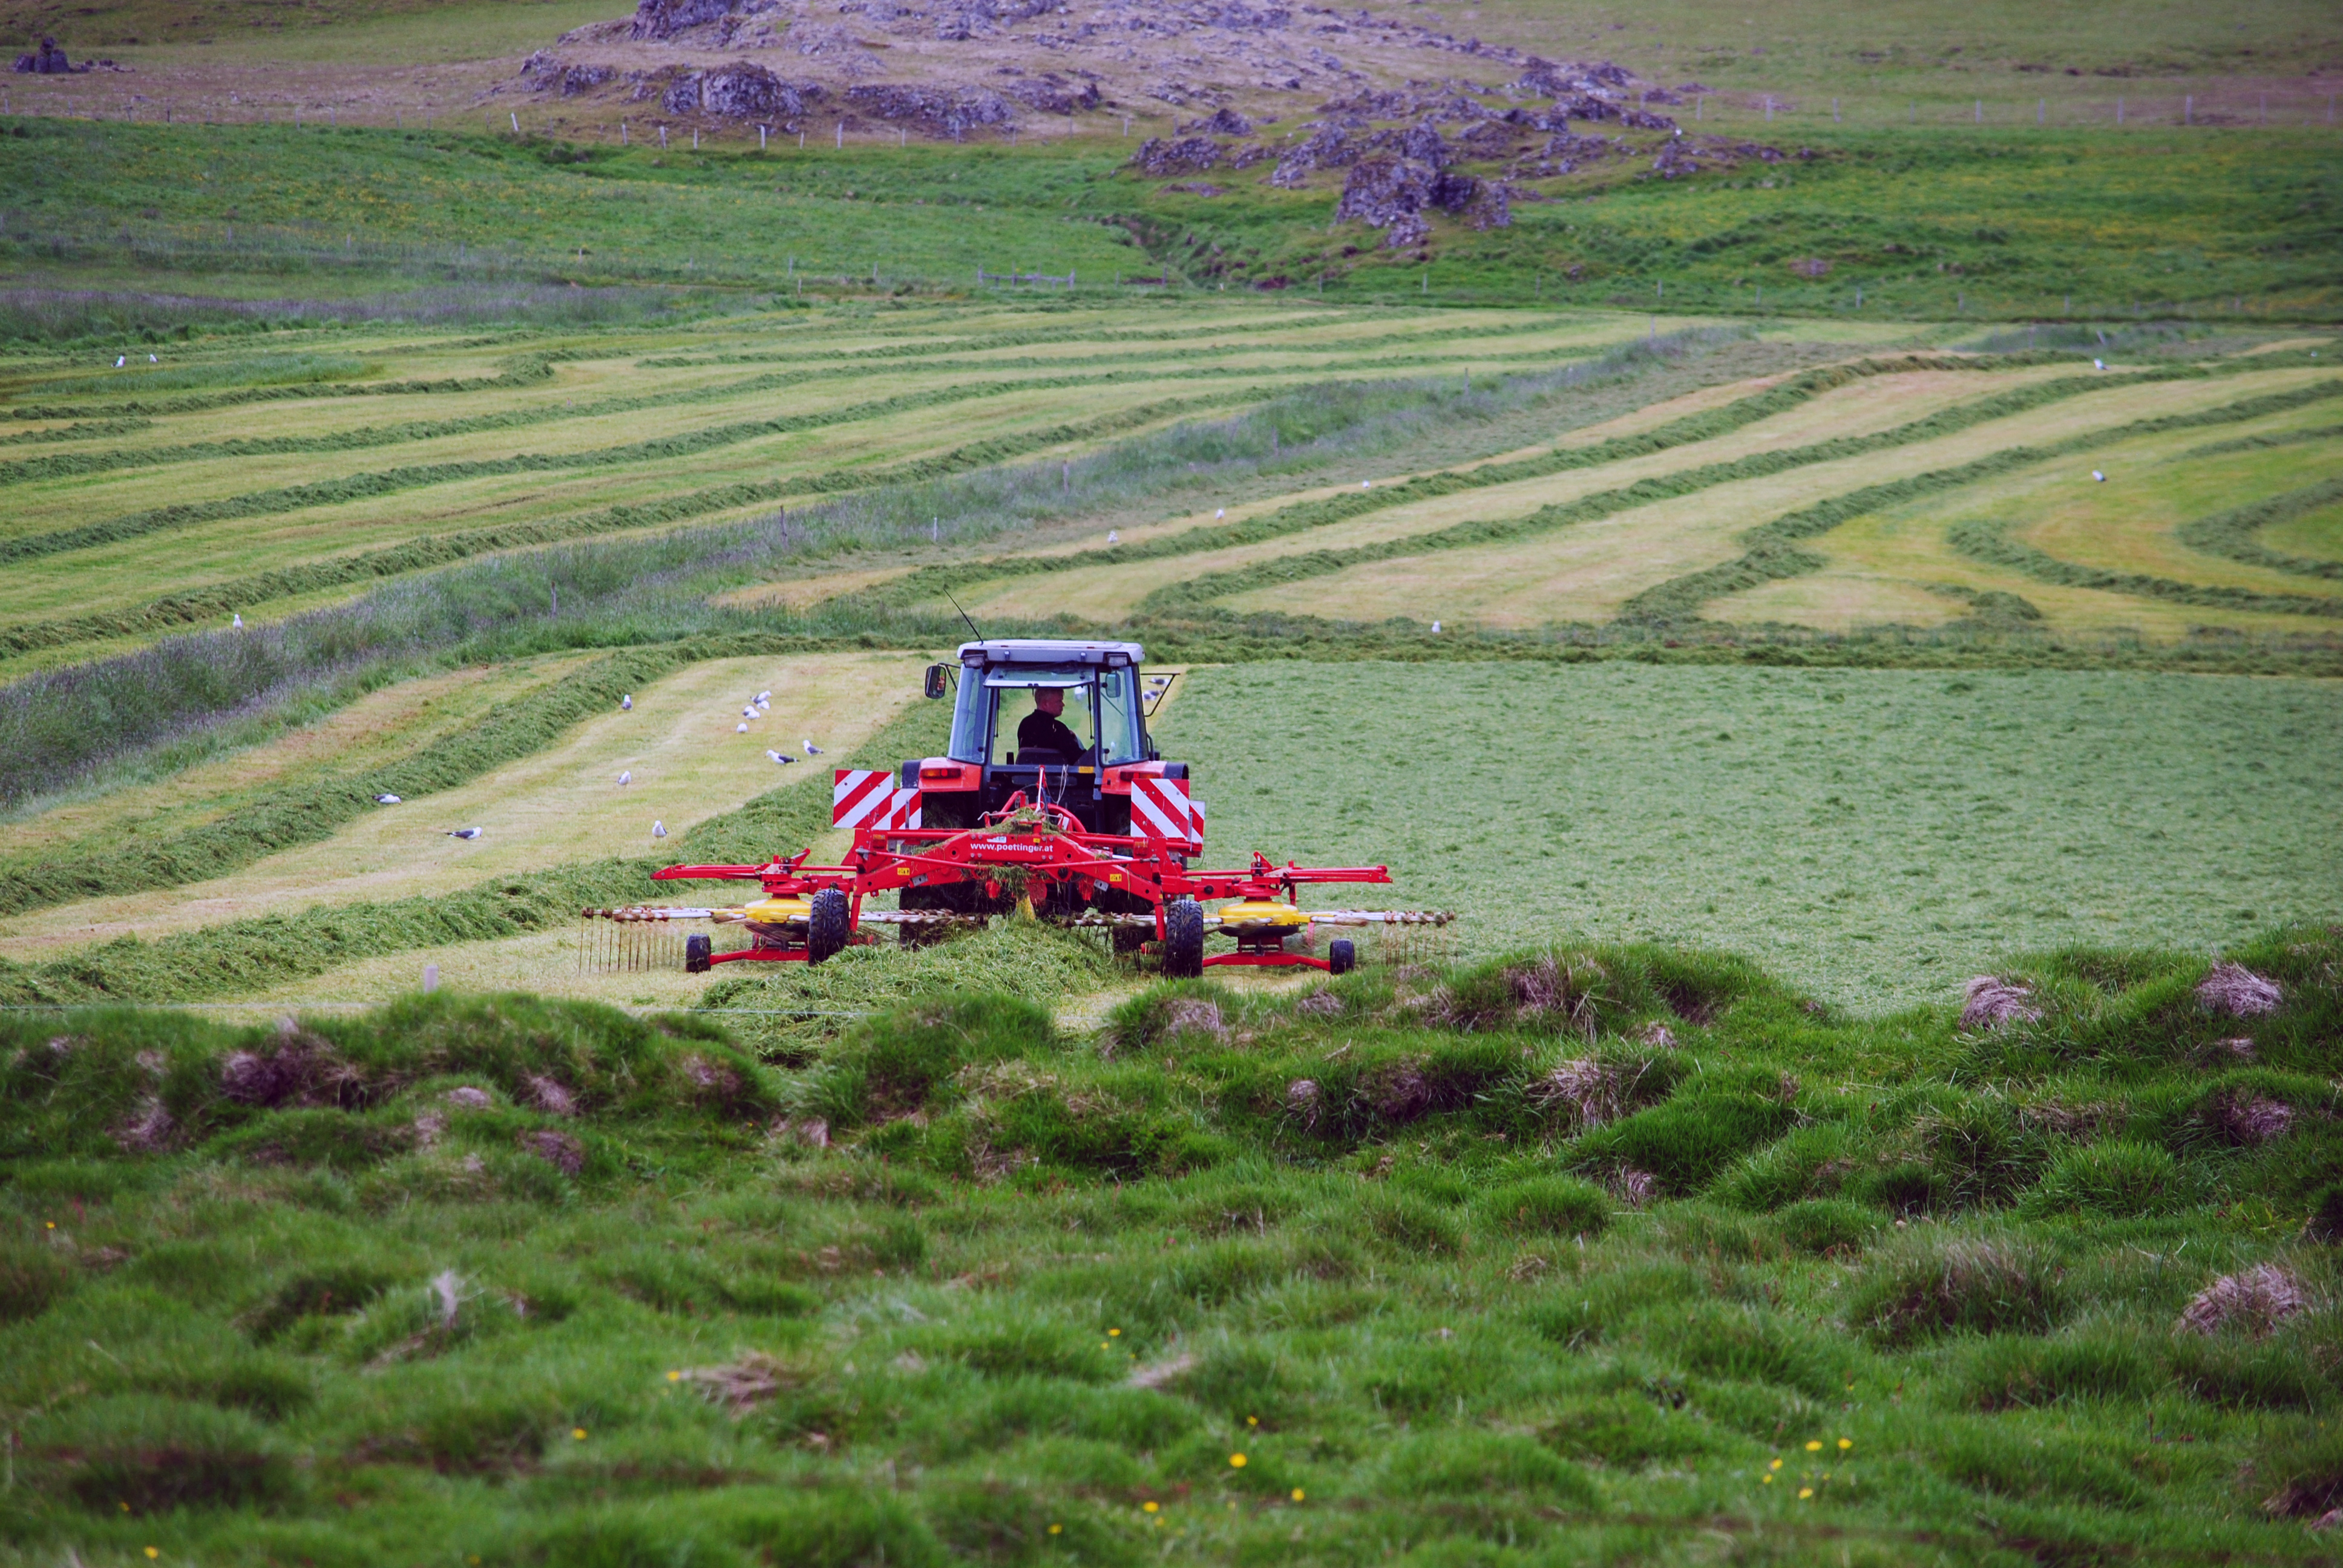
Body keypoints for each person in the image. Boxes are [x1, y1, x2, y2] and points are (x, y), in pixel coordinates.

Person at [1015, 685, 1086, 762]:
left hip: (1026, 773)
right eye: (1059, 701)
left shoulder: (1025, 725)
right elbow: (1079, 759)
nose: (1063, 704)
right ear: (1045, 704)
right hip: (1054, 774)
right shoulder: (1058, 729)